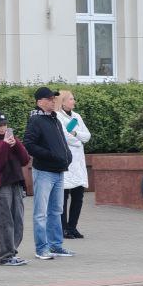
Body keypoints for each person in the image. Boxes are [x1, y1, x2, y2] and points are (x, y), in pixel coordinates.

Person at [23, 86, 74, 261]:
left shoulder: (54, 119)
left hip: (58, 171)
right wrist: (50, 155)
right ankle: (41, 248)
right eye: (50, 99)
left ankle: (55, 245)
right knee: (41, 213)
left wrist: (67, 156)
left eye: (54, 99)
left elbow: (62, 142)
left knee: (56, 210)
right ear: (40, 102)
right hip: (44, 171)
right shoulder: (36, 120)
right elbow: (29, 144)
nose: (53, 101)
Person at [0, 111, 30, 266]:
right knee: (4, 221)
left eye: (5, 125)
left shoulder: (11, 138)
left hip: (16, 183)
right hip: (1, 186)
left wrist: (16, 144)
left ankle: (12, 252)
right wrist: (4, 145)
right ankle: (5, 256)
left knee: (18, 220)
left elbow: (25, 160)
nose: (3, 128)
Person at [57, 90, 91, 239]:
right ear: (63, 102)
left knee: (78, 196)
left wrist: (76, 134)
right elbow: (65, 137)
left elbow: (87, 136)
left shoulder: (77, 116)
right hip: (66, 160)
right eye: (70, 99)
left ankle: (73, 227)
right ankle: (63, 228)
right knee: (63, 197)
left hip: (78, 163)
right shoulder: (58, 116)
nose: (73, 101)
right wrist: (78, 139)